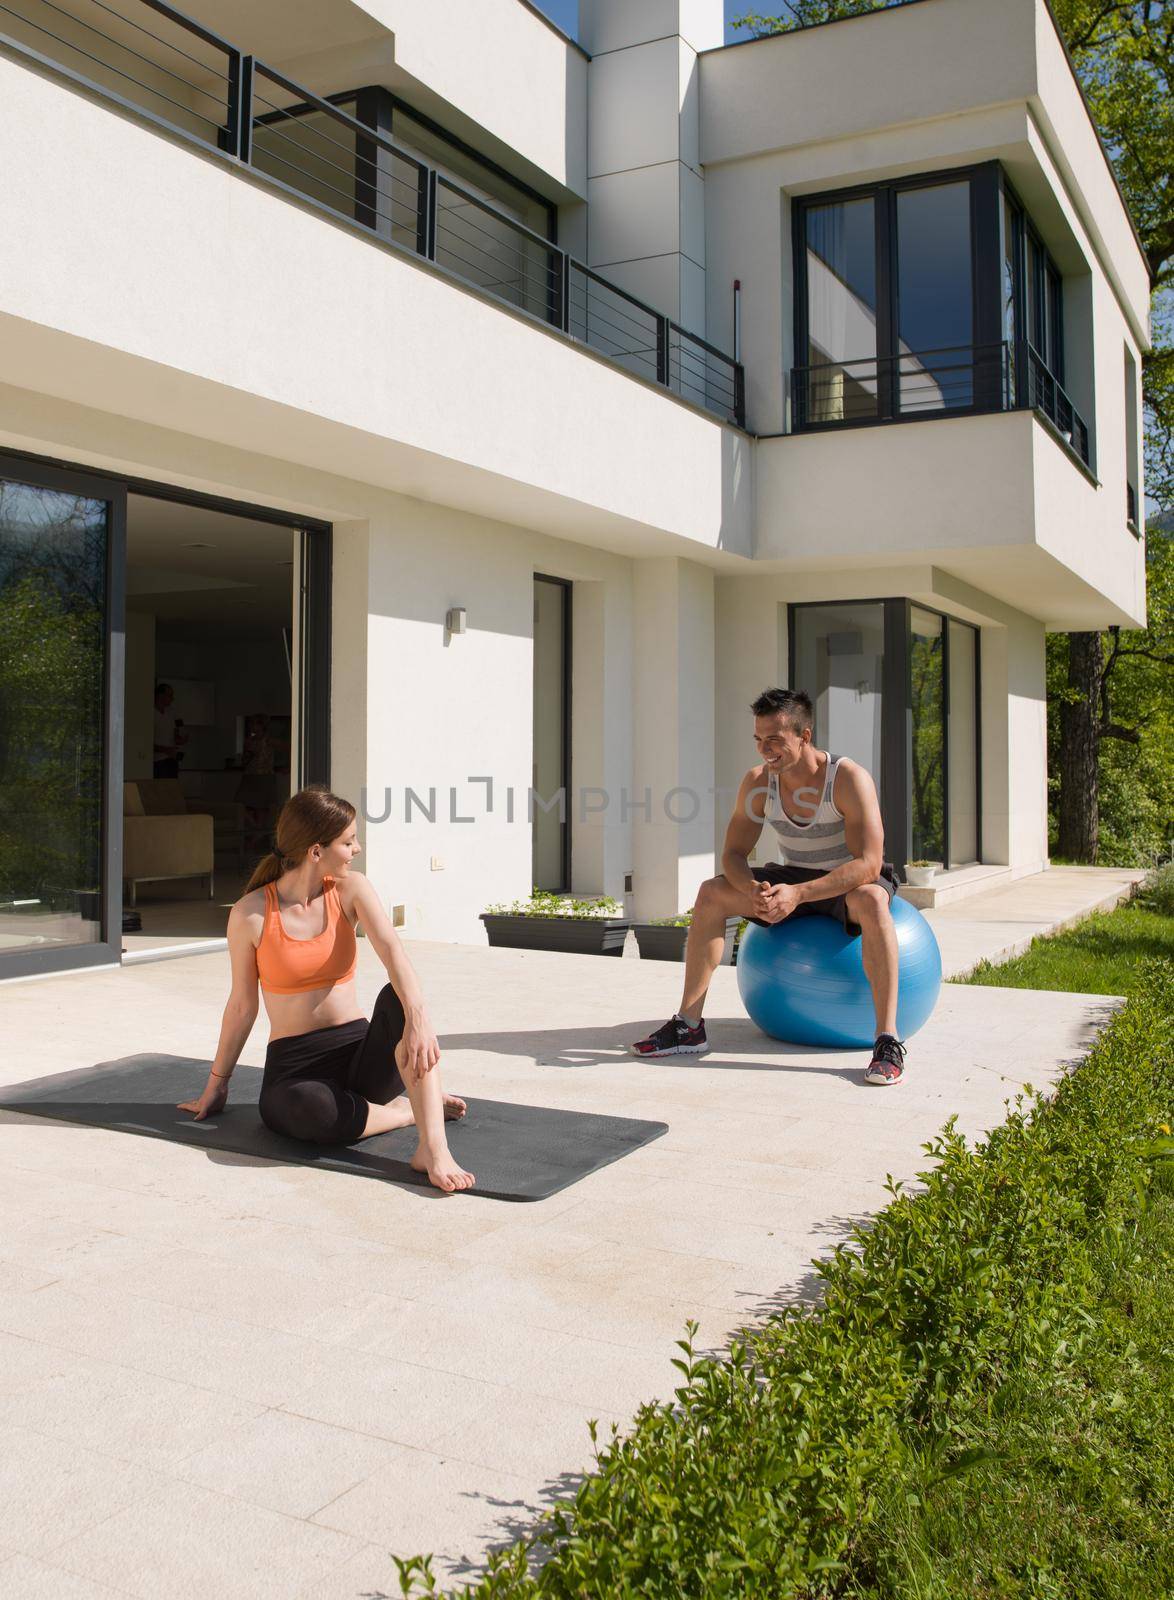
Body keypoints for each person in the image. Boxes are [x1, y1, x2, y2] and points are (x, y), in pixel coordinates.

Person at [177, 784, 475, 1191]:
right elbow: (242, 1006)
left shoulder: (352, 890)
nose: (357, 849)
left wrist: (419, 1021)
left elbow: (394, 954)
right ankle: (405, 1111)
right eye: (349, 841)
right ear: (316, 850)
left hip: (361, 1057)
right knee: (309, 1111)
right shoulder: (251, 914)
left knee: (402, 1000)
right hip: (297, 1069)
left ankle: (432, 1149)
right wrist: (217, 1082)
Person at [631, 687, 907, 1086]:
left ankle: (887, 1040)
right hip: (793, 873)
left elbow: (868, 863)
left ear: (804, 736)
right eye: (759, 740)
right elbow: (733, 854)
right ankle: (689, 1025)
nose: (765, 750)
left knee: (872, 899)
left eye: (775, 740)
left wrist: (799, 895)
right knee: (712, 892)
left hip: (847, 878)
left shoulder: (848, 778)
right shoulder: (759, 782)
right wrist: (752, 890)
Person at [153, 682, 184, 778]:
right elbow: (145, 742)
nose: (172, 698)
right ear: (161, 695)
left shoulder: (171, 712)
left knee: (173, 790)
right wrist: (166, 750)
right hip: (158, 761)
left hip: (173, 760)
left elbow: (176, 732)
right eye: (170, 695)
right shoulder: (150, 713)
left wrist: (179, 738)